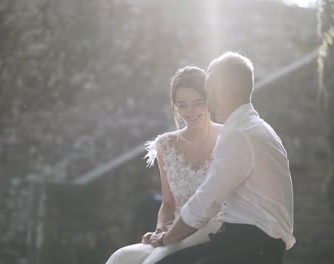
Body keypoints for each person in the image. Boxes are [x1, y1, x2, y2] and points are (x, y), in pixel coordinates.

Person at [149, 52, 295, 264]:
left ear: (223, 90)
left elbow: (206, 202)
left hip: (251, 246)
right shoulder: (255, 126)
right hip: (249, 242)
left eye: (208, 89)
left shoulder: (239, 134)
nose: (207, 98)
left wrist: (165, 240)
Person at [105, 66, 223, 264]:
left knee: (154, 262)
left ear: (208, 101)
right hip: (174, 229)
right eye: (182, 105)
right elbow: (168, 203)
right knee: (121, 257)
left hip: (212, 229)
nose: (190, 112)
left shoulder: (228, 137)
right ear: (174, 106)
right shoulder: (166, 145)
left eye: (197, 103)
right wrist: (160, 231)